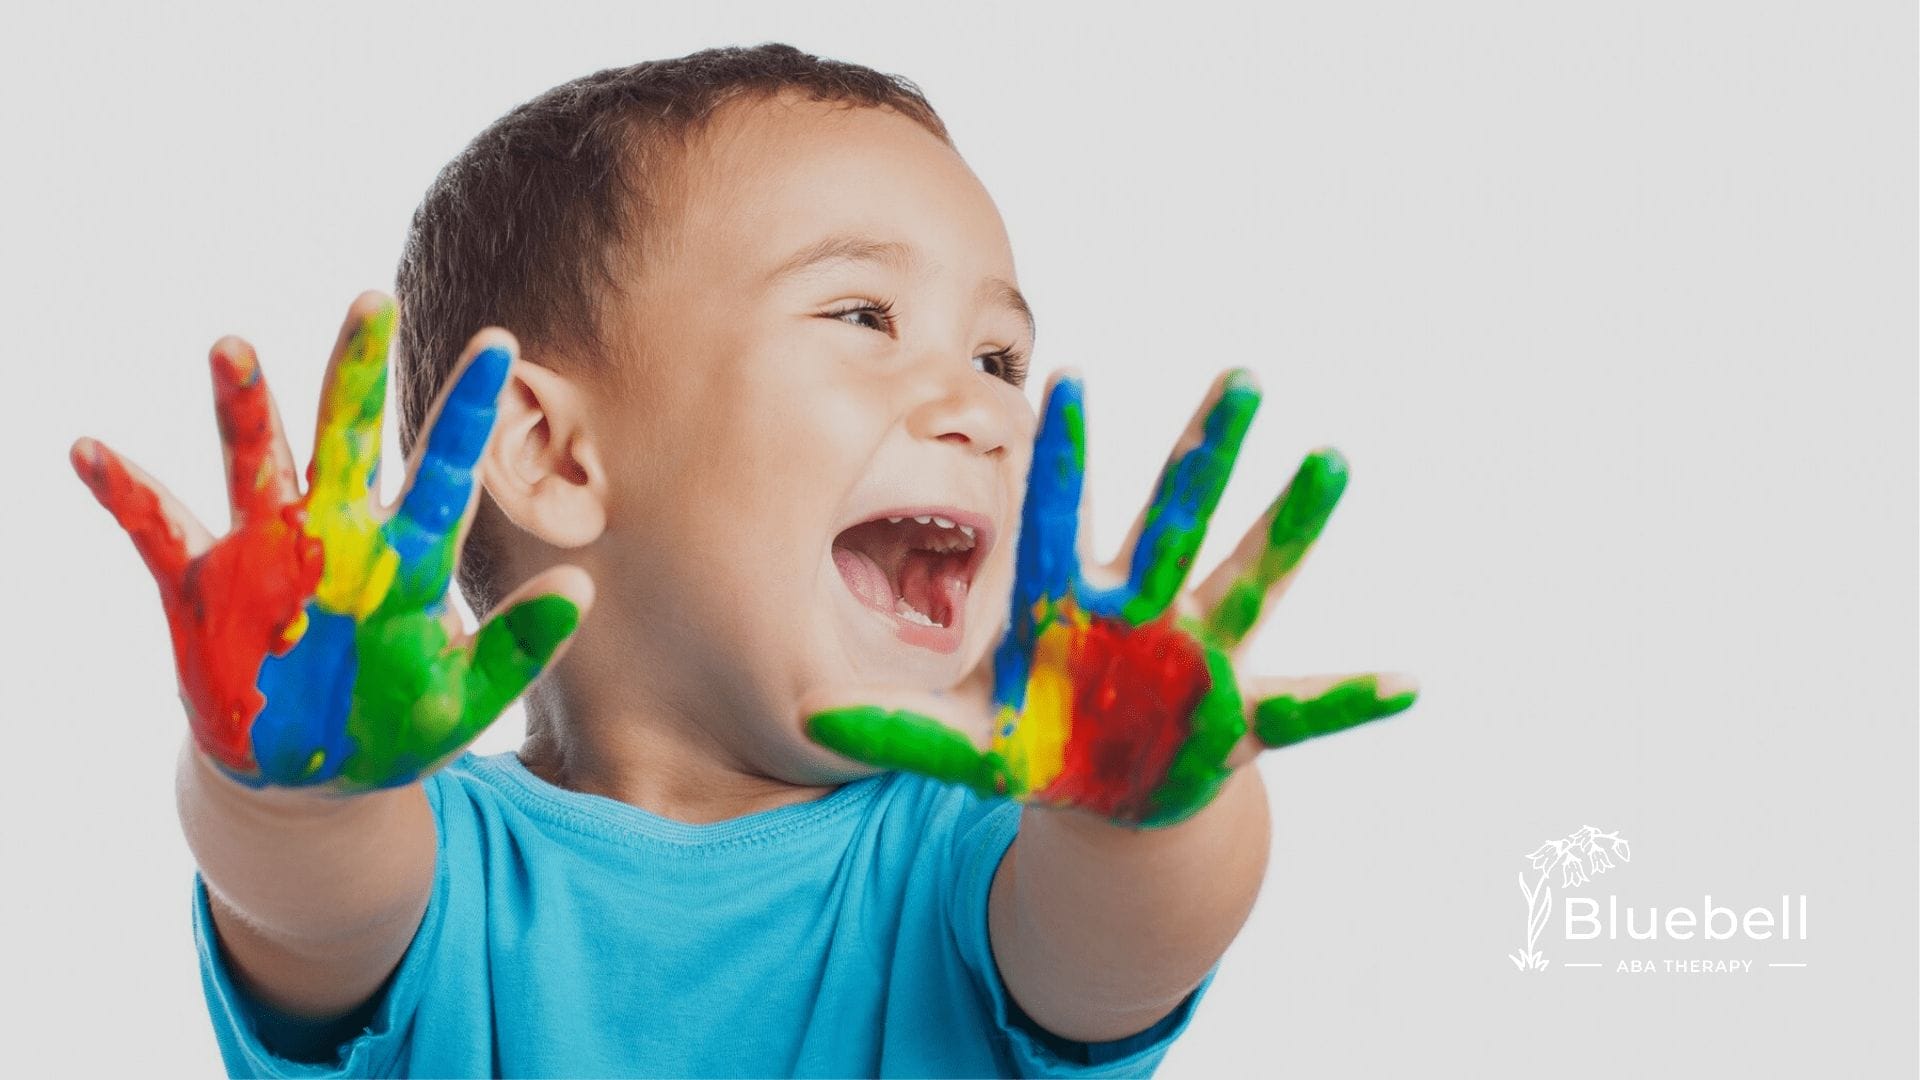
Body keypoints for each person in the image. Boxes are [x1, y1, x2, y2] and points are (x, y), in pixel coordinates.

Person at [70, 42, 1417, 1078]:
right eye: (863, 313)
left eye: (999, 355)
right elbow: (309, 901)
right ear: (555, 456)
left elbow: (1125, 943)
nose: (987, 404)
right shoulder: (431, 863)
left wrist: (1156, 813)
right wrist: (291, 783)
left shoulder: (974, 860)